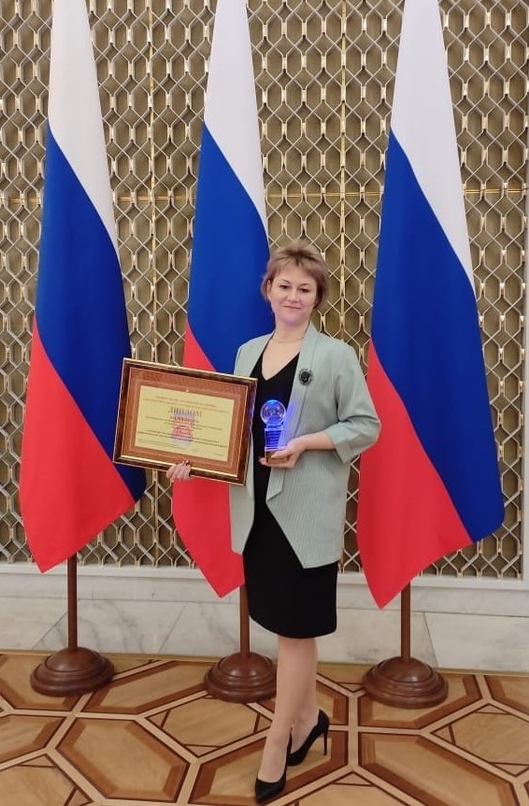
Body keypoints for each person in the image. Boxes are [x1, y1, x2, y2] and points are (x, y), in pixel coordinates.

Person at [168, 239, 380, 802]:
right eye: (284, 285)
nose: (293, 296)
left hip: (304, 514)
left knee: (295, 631)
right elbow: (231, 430)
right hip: (256, 511)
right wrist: (192, 459)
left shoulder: (335, 356)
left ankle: (276, 741)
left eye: (304, 289)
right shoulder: (247, 352)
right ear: (268, 290)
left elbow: (366, 425)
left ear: (317, 298)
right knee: (289, 627)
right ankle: (309, 719)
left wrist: (306, 443)